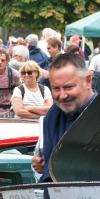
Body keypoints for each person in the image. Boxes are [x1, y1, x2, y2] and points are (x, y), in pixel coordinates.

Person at [31, 51, 96, 182]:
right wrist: (40, 162)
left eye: (68, 87)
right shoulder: (54, 112)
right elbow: (47, 158)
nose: (62, 95)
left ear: (88, 81)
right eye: (55, 88)